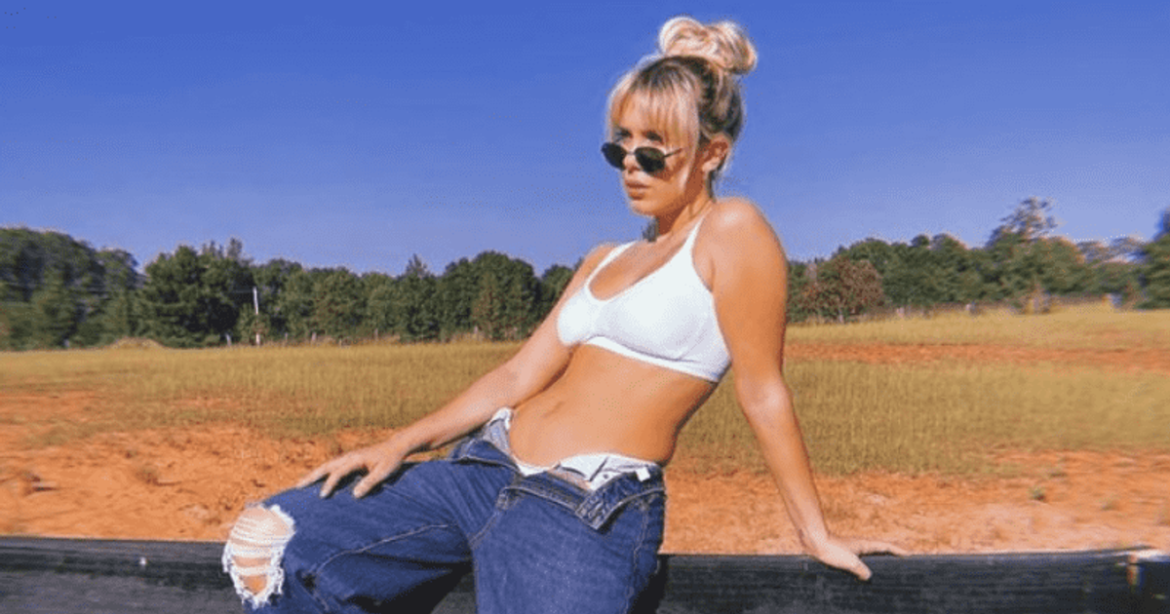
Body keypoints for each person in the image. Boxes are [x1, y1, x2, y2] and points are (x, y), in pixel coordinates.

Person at [222, 15, 902, 613]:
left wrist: (812, 530)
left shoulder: (733, 231)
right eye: (619, 145)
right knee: (265, 543)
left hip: (585, 508)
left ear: (711, 153)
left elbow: (763, 390)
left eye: (652, 149)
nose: (630, 164)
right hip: (478, 471)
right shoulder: (604, 257)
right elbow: (517, 376)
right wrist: (401, 443)